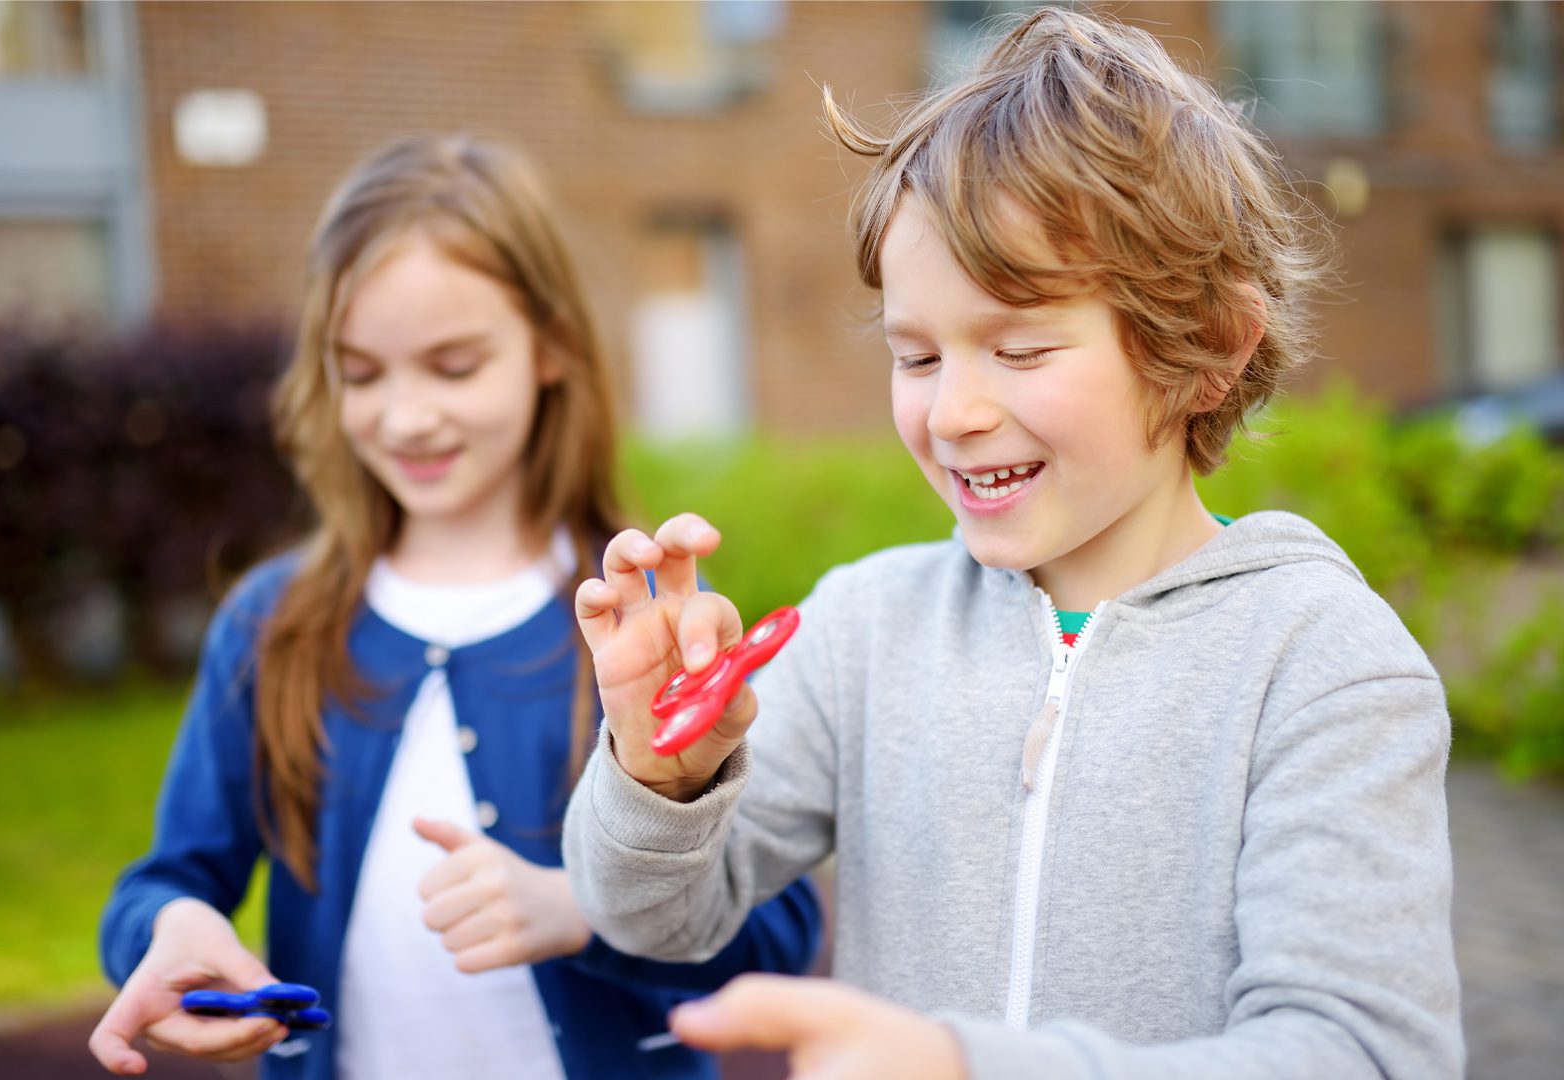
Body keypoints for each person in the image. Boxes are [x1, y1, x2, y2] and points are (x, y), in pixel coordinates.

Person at [561, 9, 1461, 1079]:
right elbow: (650, 921)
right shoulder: (865, 628)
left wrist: (962, 1064)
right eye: (916, 356)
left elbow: (1360, 1053)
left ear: (1208, 349)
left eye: (1020, 346)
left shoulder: (1319, 665)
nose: (952, 414)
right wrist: (659, 776)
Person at [88, 133, 821, 1080]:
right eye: (362, 373)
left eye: (454, 365)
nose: (404, 417)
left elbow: (780, 930)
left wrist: (582, 911)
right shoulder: (272, 625)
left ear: (551, 348)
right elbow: (167, 881)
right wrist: (175, 930)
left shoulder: (643, 620)